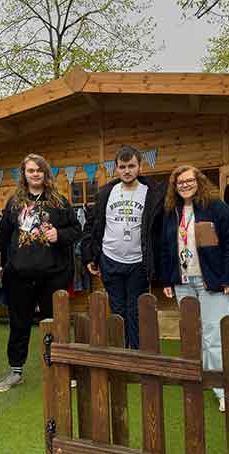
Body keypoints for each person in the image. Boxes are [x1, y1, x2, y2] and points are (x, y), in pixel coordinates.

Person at [0, 153, 81, 392]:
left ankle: (60, 368)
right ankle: (15, 371)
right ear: (24, 174)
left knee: (54, 324)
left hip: (53, 276)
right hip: (19, 277)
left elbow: (76, 230)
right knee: (19, 325)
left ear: (45, 174)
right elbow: (3, 238)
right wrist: (4, 265)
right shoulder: (13, 203)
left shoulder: (60, 202)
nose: (35, 174)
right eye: (30, 170)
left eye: (39, 170)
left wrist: (59, 235)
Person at [160, 165, 229, 412]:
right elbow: (166, 249)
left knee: (214, 335)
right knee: (191, 334)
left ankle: (222, 390)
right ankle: (200, 378)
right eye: (179, 182)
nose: (185, 185)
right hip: (183, 283)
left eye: (189, 181)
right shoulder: (170, 213)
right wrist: (168, 279)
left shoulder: (217, 208)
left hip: (212, 282)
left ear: (199, 181)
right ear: (174, 187)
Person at [81, 145, 165, 349]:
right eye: (122, 166)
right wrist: (91, 256)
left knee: (135, 309)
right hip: (110, 259)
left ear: (139, 166)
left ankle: (135, 351)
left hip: (138, 262)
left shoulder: (152, 193)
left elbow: (158, 229)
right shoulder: (105, 193)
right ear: (116, 169)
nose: (127, 171)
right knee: (117, 308)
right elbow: (93, 226)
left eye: (131, 166)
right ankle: (120, 350)